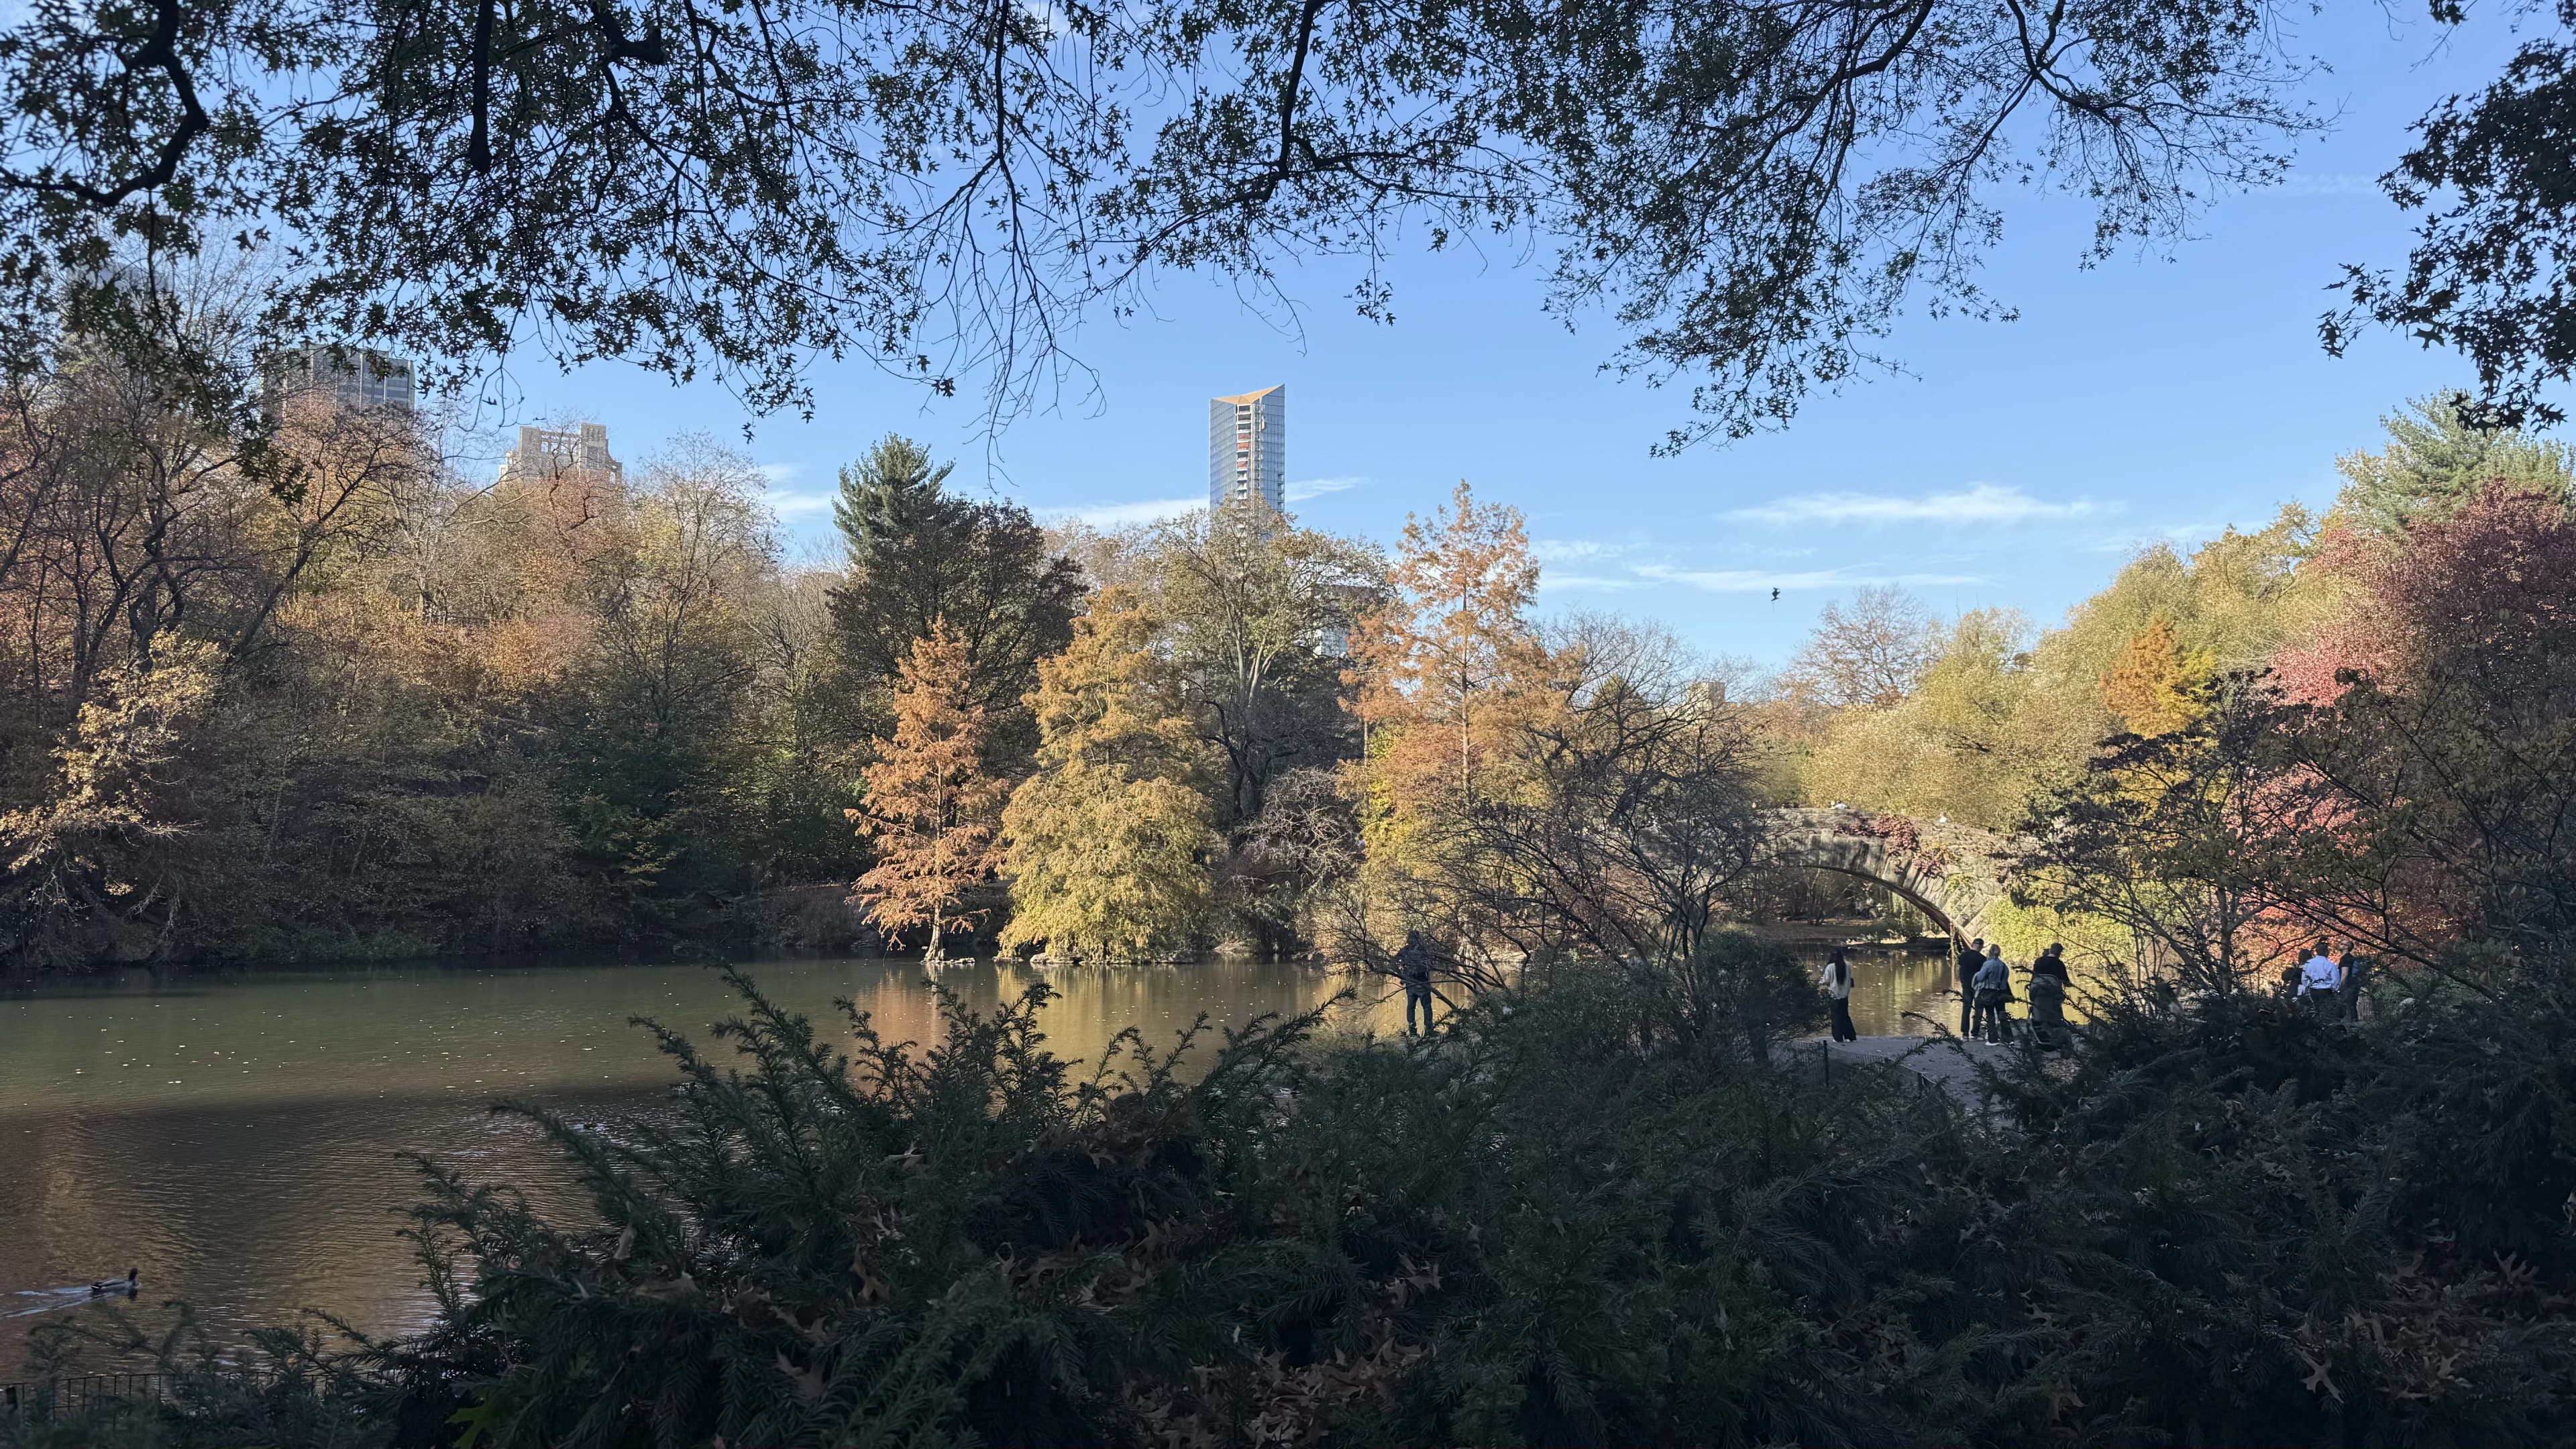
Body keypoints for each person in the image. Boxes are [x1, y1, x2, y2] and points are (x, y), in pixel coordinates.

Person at [1393, 930, 1438, 1036]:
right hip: (1423, 982)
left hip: (1410, 983)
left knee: (1411, 1007)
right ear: (1419, 938)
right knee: (1427, 1007)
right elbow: (1431, 965)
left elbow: (1393, 961)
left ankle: (1413, 1032)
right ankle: (1429, 1031)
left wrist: (1401, 975)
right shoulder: (1423, 950)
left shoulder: (1405, 950)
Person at [1972, 945, 2015, 1044]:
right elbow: (2005, 981)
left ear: (1990, 953)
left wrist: (1977, 975)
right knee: (2002, 1014)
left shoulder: (1987, 964)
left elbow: (1981, 978)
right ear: (1999, 953)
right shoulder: (2004, 965)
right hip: (2000, 992)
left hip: (1988, 992)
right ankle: (2009, 1039)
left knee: (1990, 1015)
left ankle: (1993, 1039)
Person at [2296, 939, 2341, 1020]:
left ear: (2316, 952)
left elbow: (2304, 979)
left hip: (2313, 991)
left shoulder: (2308, 964)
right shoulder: (2330, 965)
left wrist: (2309, 985)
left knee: (2316, 1009)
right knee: (2328, 1011)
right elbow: (2336, 980)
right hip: (2327, 991)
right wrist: (2335, 989)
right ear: (2327, 953)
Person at [1821, 947, 1858, 1042]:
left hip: (1833, 995)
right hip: (1845, 994)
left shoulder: (1830, 967)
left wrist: (1820, 982)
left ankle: (1838, 1038)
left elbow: (1827, 981)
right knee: (1845, 1015)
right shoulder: (1848, 965)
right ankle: (1851, 1036)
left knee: (1835, 1017)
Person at [1955, 936, 1986, 1035]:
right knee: (1979, 1009)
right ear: (1981, 947)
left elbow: (1958, 969)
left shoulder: (1963, 956)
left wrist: (1961, 980)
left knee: (1966, 1008)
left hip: (1966, 986)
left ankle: (1965, 1032)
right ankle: (1975, 1032)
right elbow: (1984, 974)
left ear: (1972, 945)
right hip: (1978, 987)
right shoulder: (1982, 958)